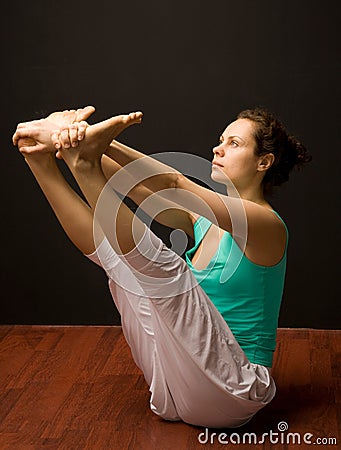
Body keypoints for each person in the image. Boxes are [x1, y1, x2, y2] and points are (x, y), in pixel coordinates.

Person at [12, 106, 312, 428]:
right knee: (121, 264)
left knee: (167, 272)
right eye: (220, 139)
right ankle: (37, 159)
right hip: (172, 387)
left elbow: (174, 181)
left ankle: (81, 162)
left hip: (235, 389)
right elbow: (129, 182)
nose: (217, 148)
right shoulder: (201, 224)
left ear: (263, 162)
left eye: (234, 143)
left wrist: (97, 142)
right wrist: (67, 140)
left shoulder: (268, 227)